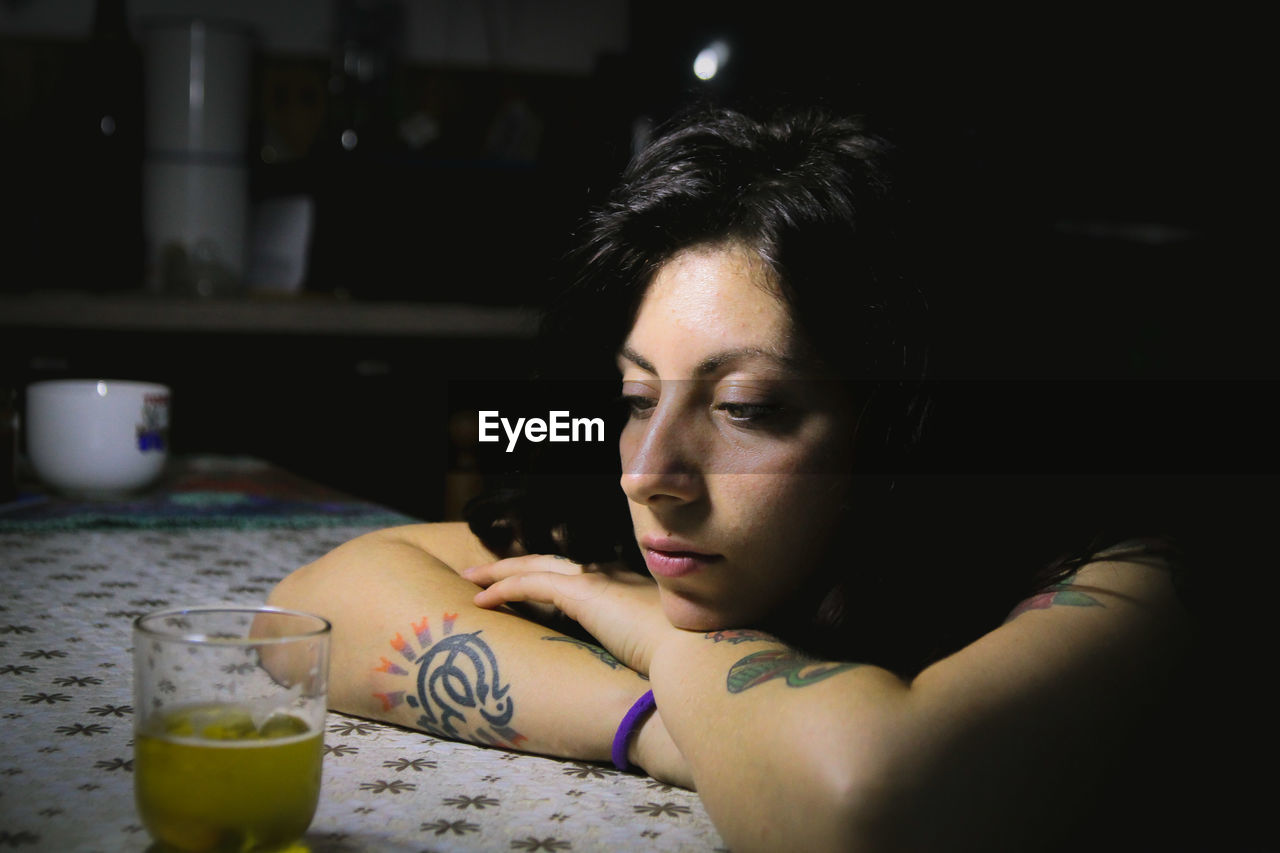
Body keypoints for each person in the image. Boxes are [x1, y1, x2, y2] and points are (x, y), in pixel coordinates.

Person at [269, 104, 1201, 851]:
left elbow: (865, 806)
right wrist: (688, 723)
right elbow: (314, 611)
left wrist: (662, 644)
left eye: (747, 408)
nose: (649, 473)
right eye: (637, 395)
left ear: (896, 426)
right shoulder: (664, 508)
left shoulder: (1122, 577)